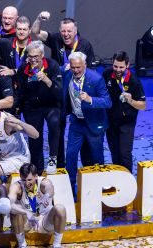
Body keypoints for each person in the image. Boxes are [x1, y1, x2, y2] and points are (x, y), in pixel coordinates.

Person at [32, 14, 96, 170]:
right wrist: (39, 19)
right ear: (60, 31)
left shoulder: (85, 45)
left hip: (77, 94)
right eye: (63, 31)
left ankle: (88, 166)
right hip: (59, 93)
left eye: (69, 31)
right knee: (57, 130)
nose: (66, 34)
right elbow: (35, 32)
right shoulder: (55, 39)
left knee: (83, 128)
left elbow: (92, 70)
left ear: (75, 31)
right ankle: (60, 165)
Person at [63, 52, 111, 197]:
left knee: (97, 157)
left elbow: (108, 102)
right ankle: (70, 190)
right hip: (76, 123)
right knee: (70, 156)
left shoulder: (96, 79)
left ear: (85, 65)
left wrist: (90, 99)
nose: (76, 70)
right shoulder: (67, 74)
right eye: (73, 67)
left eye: (78, 67)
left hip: (94, 123)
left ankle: (99, 189)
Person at [17, 41, 62, 174]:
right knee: (35, 136)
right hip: (33, 106)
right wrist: (17, 111)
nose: (33, 59)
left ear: (42, 55)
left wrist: (47, 80)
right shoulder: (24, 68)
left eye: (36, 56)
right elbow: (20, 92)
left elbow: (59, 92)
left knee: (54, 123)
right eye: (30, 56)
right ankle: (37, 167)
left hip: (51, 104)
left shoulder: (52, 65)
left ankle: (53, 158)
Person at [8, 163, 67, 248]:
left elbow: (50, 188)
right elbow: (10, 204)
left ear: (36, 176)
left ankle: (56, 247)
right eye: (24, 180)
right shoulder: (17, 186)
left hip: (44, 221)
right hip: (27, 223)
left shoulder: (43, 182)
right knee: (15, 211)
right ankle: (22, 246)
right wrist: (25, 212)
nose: (27, 183)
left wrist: (47, 195)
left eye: (30, 180)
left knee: (60, 208)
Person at [0, 16, 33, 117]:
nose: (21, 32)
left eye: (24, 29)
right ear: (15, 29)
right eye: (19, 29)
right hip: (10, 90)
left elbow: (36, 71)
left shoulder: (35, 47)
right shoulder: (6, 42)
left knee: (32, 126)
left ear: (29, 30)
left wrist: (14, 71)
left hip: (29, 90)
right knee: (9, 123)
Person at [103, 51, 146, 172]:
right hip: (110, 121)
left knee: (125, 153)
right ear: (112, 63)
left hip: (127, 122)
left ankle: (128, 182)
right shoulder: (107, 74)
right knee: (114, 151)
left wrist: (131, 100)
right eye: (115, 66)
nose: (117, 69)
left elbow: (143, 105)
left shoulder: (133, 81)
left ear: (127, 65)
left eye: (121, 67)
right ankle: (118, 178)